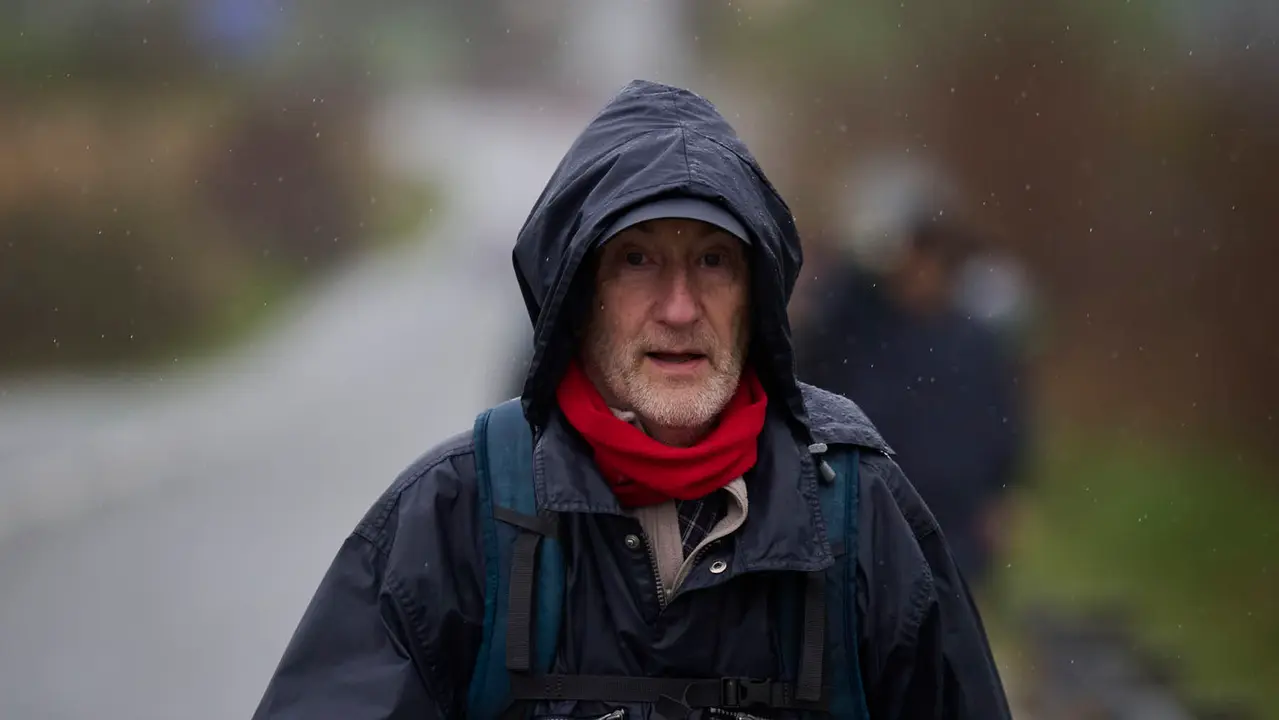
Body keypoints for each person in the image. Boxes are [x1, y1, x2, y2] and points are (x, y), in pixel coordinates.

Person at [252, 80, 1011, 720]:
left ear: (757, 299)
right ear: (580, 296)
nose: (678, 308)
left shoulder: (857, 515)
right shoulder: (455, 520)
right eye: (637, 260)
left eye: (712, 260)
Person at [794, 213, 1028, 589]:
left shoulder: (975, 343)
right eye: (917, 262)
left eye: (935, 265)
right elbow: (815, 357)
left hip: (955, 519)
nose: (923, 276)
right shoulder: (864, 328)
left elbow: (1004, 419)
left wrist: (1003, 493)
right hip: (874, 506)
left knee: (950, 617)